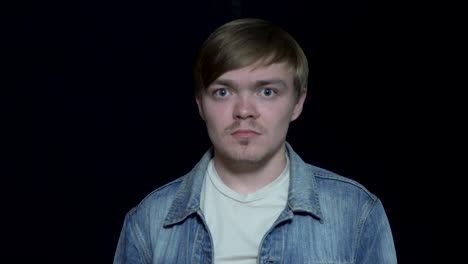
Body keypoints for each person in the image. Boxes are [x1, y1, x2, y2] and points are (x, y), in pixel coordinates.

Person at [113, 18, 397, 264]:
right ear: (200, 104)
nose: (244, 110)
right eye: (223, 92)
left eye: (267, 92)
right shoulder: (148, 220)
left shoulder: (356, 212)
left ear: (298, 103)